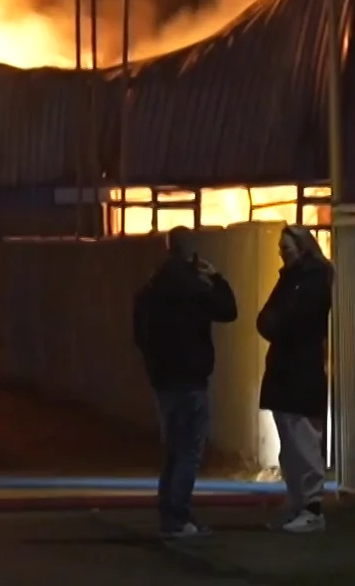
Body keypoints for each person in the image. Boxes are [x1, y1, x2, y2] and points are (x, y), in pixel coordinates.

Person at [133, 228, 238, 539]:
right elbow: (228, 311)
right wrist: (216, 277)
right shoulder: (197, 289)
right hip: (192, 378)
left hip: (163, 380)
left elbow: (140, 335)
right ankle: (178, 515)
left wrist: (155, 362)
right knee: (190, 449)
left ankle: (169, 512)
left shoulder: (151, 290)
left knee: (173, 449)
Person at [256, 224, 333, 533]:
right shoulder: (293, 279)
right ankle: (300, 504)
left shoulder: (311, 280)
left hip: (299, 370)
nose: (281, 255)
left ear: (301, 249)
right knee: (291, 444)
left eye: (286, 249)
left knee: (302, 442)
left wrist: (278, 322)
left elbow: (288, 319)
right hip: (287, 370)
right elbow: (269, 319)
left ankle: (311, 508)